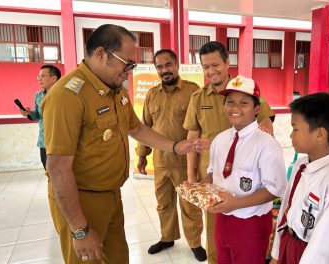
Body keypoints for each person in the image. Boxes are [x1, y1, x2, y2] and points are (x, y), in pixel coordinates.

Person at [42, 24, 206, 264]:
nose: (129, 70)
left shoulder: (116, 91)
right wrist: (80, 230)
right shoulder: (66, 96)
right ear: (100, 54)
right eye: (126, 63)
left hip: (111, 195)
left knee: (118, 257)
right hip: (82, 201)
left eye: (133, 65)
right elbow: (57, 168)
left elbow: (137, 128)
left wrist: (175, 146)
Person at [183, 41, 276, 264]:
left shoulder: (244, 89)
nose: (210, 71)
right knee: (217, 234)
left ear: (227, 63)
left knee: (246, 232)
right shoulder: (197, 98)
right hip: (214, 176)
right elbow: (191, 139)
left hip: (245, 177)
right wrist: (191, 177)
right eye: (205, 67)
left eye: (215, 65)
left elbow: (266, 125)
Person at [202, 75, 286, 263]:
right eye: (229, 101)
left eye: (243, 103)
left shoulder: (266, 144)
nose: (234, 108)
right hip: (222, 219)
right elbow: (212, 173)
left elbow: (276, 189)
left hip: (251, 223)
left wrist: (237, 204)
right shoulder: (220, 139)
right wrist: (201, 188)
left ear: (257, 109)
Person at [135, 49, 206, 261]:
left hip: (186, 163)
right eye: (159, 66)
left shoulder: (193, 92)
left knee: (190, 205)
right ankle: (167, 237)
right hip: (161, 162)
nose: (164, 70)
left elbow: (200, 127)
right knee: (163, 203)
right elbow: (144, 127)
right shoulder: (152, 95)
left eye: (168, 65)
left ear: (177, 65)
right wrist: (141, 155)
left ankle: (194, 243)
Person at [270, 93, 329, 264]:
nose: (291, 136)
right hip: (289, 243)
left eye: (295, 129)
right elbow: (286, 208)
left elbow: (328, 243)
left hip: (310, 254)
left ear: (320, 135)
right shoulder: (300, 166)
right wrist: (277, 254)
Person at [20, 64, 61, 169]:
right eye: (38, 77)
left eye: (42, 76)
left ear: (54, 78)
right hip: (44, 141)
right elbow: (38, 116)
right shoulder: (38, 95)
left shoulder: (64, 95)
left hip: (60, 140)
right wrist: (29, 113)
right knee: (48, 171)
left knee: (60, 173)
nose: (39, 79)